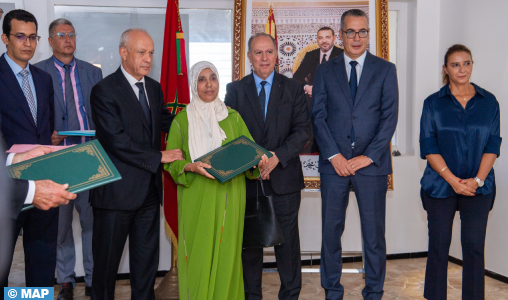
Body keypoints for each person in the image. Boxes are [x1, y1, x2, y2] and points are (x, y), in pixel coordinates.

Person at [89, 28, 183, 300]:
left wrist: (201, 117)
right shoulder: (104, 90)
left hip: (149, 195)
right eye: (141, 52)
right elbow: (116, 140)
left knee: (146, 268)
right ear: (124, 53)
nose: (148, 59)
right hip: (115, 196)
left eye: (151, 53)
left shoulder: (153, 88)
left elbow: (166, 122)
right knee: (106, 270)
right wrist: (159, 157)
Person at [312, 9, 398, 300]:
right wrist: (334, 155)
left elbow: (389, 119)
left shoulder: (386, 69)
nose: (357, 37)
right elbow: (318, 116)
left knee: (374, 237)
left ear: (368, 34)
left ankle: (374, 292)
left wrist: (368, 157)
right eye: (351, 31)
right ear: (341, 34)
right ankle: (332, 292)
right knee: (330, 234)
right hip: (333, 166)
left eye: (362, 31)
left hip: (371, 167)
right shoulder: (324, 70)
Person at [165, 61, 268, 300]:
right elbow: (171, 163)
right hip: (196, 198)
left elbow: (250, 155)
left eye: (212, 77)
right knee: (198, 256)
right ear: (194, 84)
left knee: (227, 256)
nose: (208, 84)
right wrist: (190, 166)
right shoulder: (181, 121)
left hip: (229, 199)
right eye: (202, 79)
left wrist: (258, 162)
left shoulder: (232, 118)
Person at [225, 33, 310, 300]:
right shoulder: (235, 90)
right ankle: (252, 296)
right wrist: (254, 160)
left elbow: (302, 131)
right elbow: (229, 134)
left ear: (277, 55)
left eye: (269, 52)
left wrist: (276, 156)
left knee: (287, 246)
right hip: (248, 180)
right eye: (258, 53)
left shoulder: (294, 88)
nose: (264, 58)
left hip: (284, 179)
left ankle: (290, 295)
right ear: (249, 57)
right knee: (250, 246)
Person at [419, 44, 501, 300]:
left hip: (479, 189)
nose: (462, 69)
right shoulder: (433, 103)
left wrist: (476, 181)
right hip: (440, 186)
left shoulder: (489, 102)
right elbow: (429, 146)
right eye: (455, 64)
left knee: (474, 248)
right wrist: (453, 181)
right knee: (439, 248)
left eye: (466, 63)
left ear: (472, 65)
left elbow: (493, 145)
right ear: (446, 69)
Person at [0, 9, 72, 289]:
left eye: (32, 37)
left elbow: (44, 131)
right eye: (20, 36)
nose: (27, 43)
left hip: (44, 183)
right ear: (5, 38)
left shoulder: (43, 78)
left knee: (42, 265)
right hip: (7, 186)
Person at [34, 18, 103, 299]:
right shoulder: (38, 72)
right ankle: (65, 281)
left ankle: (93, 278)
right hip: (57, 159)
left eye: (71, 34)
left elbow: (101, 111)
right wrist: (44, 135)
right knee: (60, 227)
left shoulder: (92, 72)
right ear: (50, 41)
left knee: (91, 223)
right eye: (61, 35)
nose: (67, 39)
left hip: (88, 156)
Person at [293, 27, 343, 154]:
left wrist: (321, 90)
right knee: (301, 103)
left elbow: (345, 81)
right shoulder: (311, 55)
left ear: (334, 38)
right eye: (320, 38)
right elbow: (297, 77)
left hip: (336, 98)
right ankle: (310, 142)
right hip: (313, 99)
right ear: (317, 40)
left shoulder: (343, 54)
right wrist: (306, 87)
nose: (324, 41)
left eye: (327, 37)